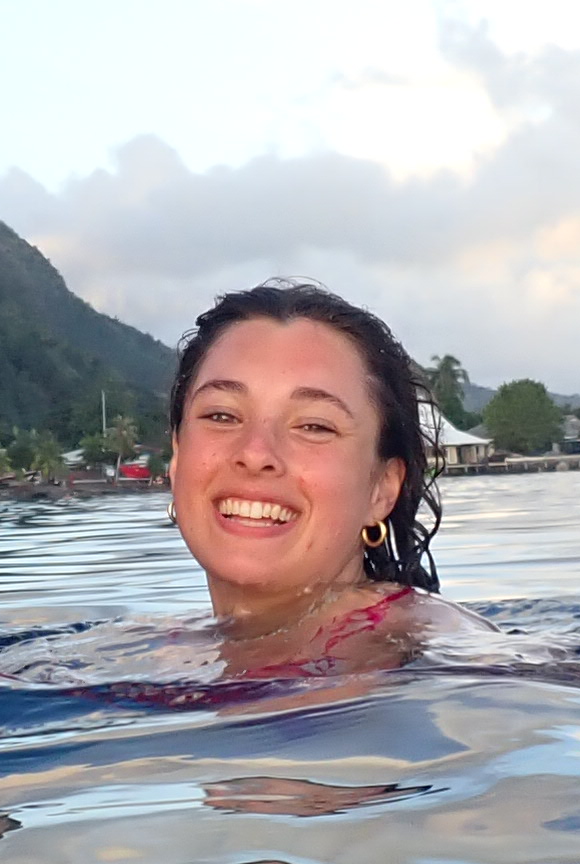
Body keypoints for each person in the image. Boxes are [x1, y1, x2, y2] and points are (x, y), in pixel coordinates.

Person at [164, 279, 476, 672]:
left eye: (314, 426)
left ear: (382, 488)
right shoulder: (152, 651)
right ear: (177, 457)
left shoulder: (443, 648)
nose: (255, 453)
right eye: (221, 415)